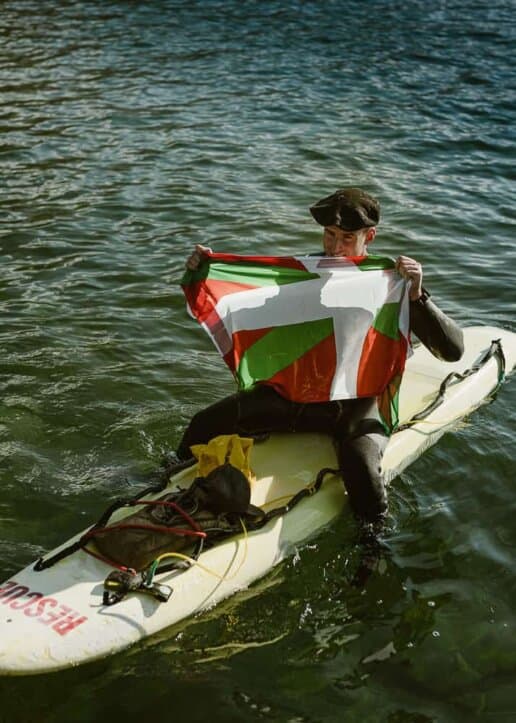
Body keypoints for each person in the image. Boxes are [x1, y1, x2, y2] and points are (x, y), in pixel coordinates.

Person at [176, 188, 464, 523]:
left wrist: (416, 296)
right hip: (299, 399)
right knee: (203, 424)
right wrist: (209, 271)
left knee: (360, 467)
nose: (335, 247)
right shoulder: (307, 277)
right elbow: (247, 312)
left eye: (347, 237)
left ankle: (373, 545)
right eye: (329, 235)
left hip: (356, 404)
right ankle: (159, 483)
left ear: (369, 236)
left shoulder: (390, 284)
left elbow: (452, 351)